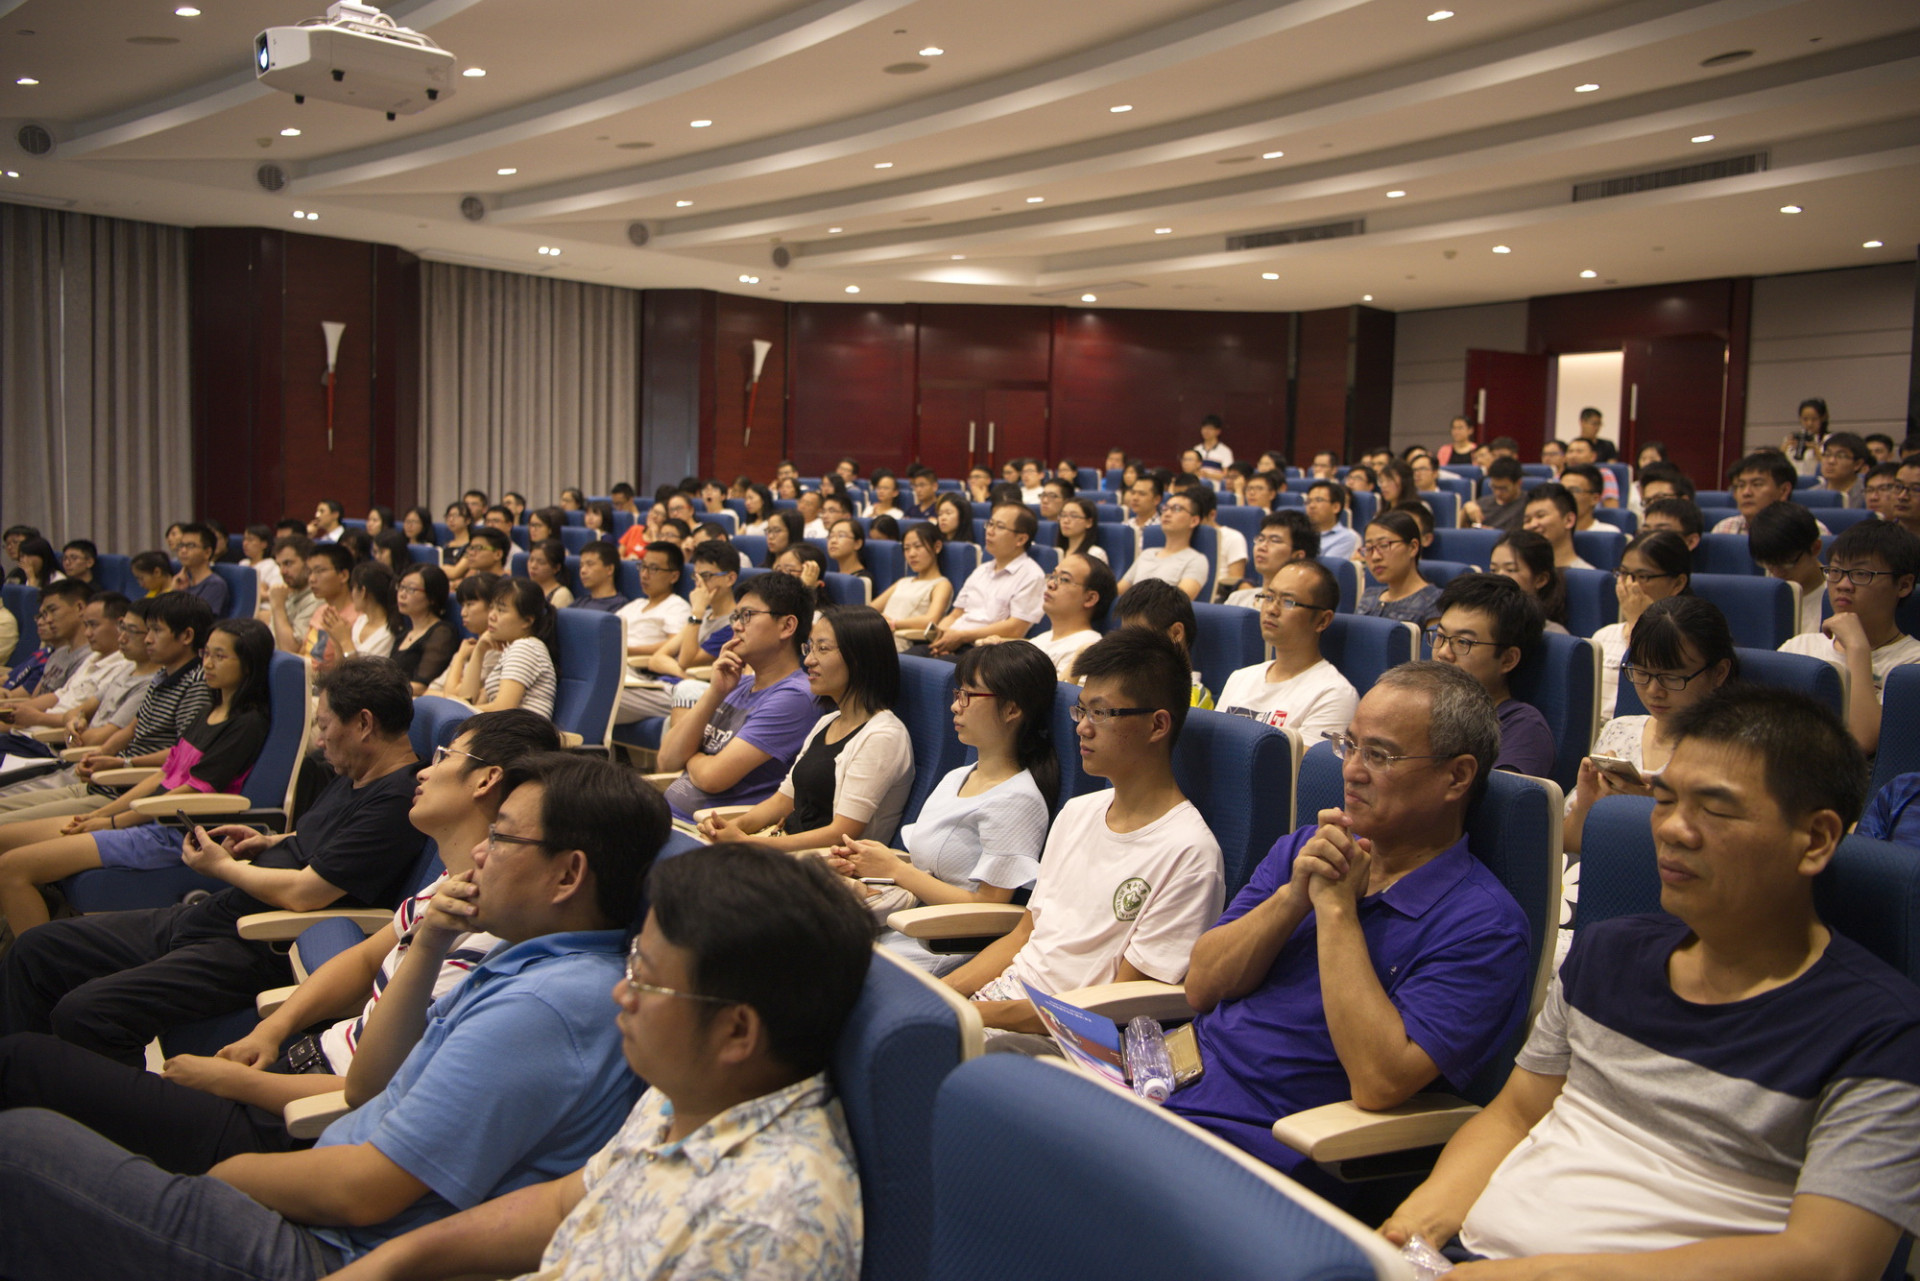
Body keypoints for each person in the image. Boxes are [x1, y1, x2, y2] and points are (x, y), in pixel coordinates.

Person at [0, 752, 672, 1281]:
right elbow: (367, 1087)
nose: (478, 852)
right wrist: (428, 943)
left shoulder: (545, 1007)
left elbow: (363, 1193)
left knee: (21, 1140)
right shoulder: (521, 957)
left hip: (325, 1249)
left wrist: (219, 1180)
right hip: (319, 1192)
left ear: (567, 875)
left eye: (499, 837)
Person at [1386, 687, 1920, 1276]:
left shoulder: (1881, 1032)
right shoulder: (1607, 952)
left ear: (1814, 840)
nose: (1672, 830)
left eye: (1715, 810)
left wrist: (1541, 1275)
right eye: (1664, 800)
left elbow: (1830, 1260)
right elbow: (1514, 1115)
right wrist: (1412, 1232)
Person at [0, 710, 560, 1172]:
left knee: (30, 1058)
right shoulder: (446, 886)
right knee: (38, 959)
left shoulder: (492, 939)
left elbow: (384, 1096)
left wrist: (238, 1083)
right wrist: (271, 1031)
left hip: (293, 1119)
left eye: (443, 757)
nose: (426, 769)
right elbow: (362, 958)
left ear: (484, 780)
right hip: (292, 1064)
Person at [316, 843, 872, 1281]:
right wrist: (401, 1258)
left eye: (646, 981)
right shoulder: (690, 1095)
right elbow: (565, 1205)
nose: (621, 995)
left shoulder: (765, 1223)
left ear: (737, 1031)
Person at [1169, 662, 1531, 1176]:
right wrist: (1294, 897)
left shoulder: (1484, 926)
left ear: (1457, 776)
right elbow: (1202, 986)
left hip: (1258, 1141)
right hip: (1168, 1081)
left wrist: (1337, 911)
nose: (1352, 771)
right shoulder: (1305, 849)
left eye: (1379, 755)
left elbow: (1380, 1081)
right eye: (1350, 745)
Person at [0, 656, 428, 1065]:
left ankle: (73, 1102)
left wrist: (221, 868)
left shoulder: (395, 801)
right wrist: (269, 840)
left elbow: (306, 894)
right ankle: (17, 1083)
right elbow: (325, 838)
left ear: (364, 724)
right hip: (223, 915)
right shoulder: (357, 772)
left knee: (86, 1013)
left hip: (259, 943)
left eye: (324, 725)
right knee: (36, 950)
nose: (319, 740)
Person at [943, 628, 1224, 1045]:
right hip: (1001, 1006)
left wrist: (970, 1014)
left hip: (1066, 1041)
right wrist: (942, 995)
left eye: (1101, 713)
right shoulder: (1078, 812)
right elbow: (1024, 936)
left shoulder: (1189, 854)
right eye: (1081, 711)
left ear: (1157, 725)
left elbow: (1118, 1005)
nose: (1082, 729)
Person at [0, 617, 273, 935]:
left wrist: (114, 822)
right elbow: (163, 774)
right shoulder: (209, 709)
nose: (208, 664)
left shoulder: (247, 724)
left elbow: (192, 791)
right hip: (147, 818)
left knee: (12, 869)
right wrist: (101, 815)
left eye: (220, 656)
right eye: (206, 654)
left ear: (248, 663)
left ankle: (33, 962)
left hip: (173, 833)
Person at [829, 641, 1056, 976]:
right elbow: (927, 868)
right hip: (905, 919)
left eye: (968, 696)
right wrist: (869, 860)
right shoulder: (958, 776)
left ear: (1011, 710)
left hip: (942, 942)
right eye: (957, 693)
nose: (954, 706)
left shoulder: (1018, 800)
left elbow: (989, 907)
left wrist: (896, 870)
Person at [698, 606, 912, 851]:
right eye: (809, 648)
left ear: (860, 657)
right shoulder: (827, 722)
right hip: (785, 849)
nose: (809, 660)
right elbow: (782, 801)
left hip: (826, 865)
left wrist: (748, 843)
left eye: (823, 649)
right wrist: (732, 827)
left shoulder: (883, 736)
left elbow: (841, 834)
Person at [0, 594, 208, 823]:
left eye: (156, 631)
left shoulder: (196, 684)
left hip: (123, 791)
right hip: (101, 779)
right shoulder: (162, 675)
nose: (148, 640)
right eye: (147, 631)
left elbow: (181, 755)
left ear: (186, 636)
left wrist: (123, 763)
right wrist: (99, 754)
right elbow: (131, 729)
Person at [1567, 596, 1737, 860]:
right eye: (1642, 673)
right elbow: (1567, 845)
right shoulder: (1619, 730)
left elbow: (1723, 860)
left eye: (1672, 677)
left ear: (1719, 673)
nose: (1654, 691)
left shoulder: (1733, 756)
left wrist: (1650, 808)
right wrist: (1586, 809)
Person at [658, 572, 824, 822]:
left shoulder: (795, 697)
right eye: (736, 616)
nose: (736, 626)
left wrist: (691, 757)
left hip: (712, 831)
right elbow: (667, 760)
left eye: (747, 615)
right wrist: (715, 692)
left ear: (787, 626)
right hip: (669, 818)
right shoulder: (736, 683)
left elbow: (713, 778)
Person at [1778, 519, 1920, 755]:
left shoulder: (1912, 664)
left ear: (1904, 585)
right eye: (1835, 572)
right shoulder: (1799, 646)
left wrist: (1856, 647)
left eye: (1861, 574)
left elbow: (1863, 741)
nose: (1843, 585)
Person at [1426, 575, 1556, 778]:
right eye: (1441, 636)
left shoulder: (1523, 729)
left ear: (1507, 660)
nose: (1443, 653)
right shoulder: (1422, 706)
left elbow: (1500, 799)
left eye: (1463, 642)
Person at [1216, 560, 1356, 740]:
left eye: (1288, 602)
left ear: (1323, 620)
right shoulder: (1240, 678)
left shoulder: (1334, 694)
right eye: (1269, 597)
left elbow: (1303, 759)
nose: (1271, 610)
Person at [1587, 530, 1691, 719]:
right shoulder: (1603, 635)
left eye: (1643, 576)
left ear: (1678, 583)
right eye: (1624, 573)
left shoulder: (1688, 642)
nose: (1629, 584)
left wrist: (1638, 622)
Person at [923, 503, 1046, 658]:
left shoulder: (1032, 575)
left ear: (1021, 539)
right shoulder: (981, 570)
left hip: (985, 652)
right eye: (990, 524)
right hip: (953, 643)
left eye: (999, 527)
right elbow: (955, 614)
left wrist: (962, 637)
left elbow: (1016, 628)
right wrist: (941, 637)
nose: (989, 531)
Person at [640, 540, 738, 691]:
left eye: (706, 576)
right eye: (696, 577)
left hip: (687, 692)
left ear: (730, 578)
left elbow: (687, 661)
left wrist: (697, 612)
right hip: (665, 684)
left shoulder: (733, 625)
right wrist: (682, 674)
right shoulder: (703, 615)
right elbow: (656, 659)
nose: (699, 585)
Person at [454, 578, 559, 718]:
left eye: (501, 610)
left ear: (527, 621)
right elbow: (468, 697)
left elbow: (503, 709)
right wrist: (479, 651)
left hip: (520, 731)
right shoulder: (514, 648)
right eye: (491, 608)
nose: (491, 616)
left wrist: (458, 710)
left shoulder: (526, 647)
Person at [1004, 552, 1114, 681]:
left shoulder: (1088, 648)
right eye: (1053, 576)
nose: (1051, 584)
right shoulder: (1041, 639)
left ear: (1090, 598)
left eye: (1064, 579)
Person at [1114, 578, 1215, 708]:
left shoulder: (1195, 697)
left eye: (1138, 637)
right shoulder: (1118, 683)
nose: (1128, 647)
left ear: (1176, 633)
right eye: (1125, 637)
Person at [1749, 501, 1827, 636]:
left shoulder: (1836, 598)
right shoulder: (1763, 593)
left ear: (1815, 548)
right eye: (1769, 564)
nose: (1777, 572)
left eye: (1786, 563)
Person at [872, 522, 953, 651]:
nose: (911, 554)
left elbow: (931, 620)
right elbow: (871, 609)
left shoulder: (941, 584)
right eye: (906, 548)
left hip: (902, 644)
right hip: (878, 636)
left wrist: (893, 624)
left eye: (917, 546)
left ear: (937, 547)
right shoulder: (903, 582)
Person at [1120, 489, 1209, 599]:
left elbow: (1179, 601)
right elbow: (1119, 590)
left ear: (1194, 521)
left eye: (1176, 509)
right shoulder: (1147, 553)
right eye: (1165, 508)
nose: (1167, 513)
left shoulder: (1196, 560)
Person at [1714, 452, 1829, 537]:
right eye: (1740, 485)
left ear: (1784, 490)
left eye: (1757, 484)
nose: (1746, 493)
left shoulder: (1810, 531)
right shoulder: (1723, 529)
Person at [1358, 510, 1441, 624]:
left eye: (1384, 545)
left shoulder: (1433, 602)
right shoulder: (1369, 596)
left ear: (1413, 547)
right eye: (1368, 548)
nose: (1375, 557)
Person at [1224, 509, 1318, 609]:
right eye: (1260, 539)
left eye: (1275, 540)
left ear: (1298, 556)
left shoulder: (1296, 608)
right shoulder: (1237, 598)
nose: (1261, 547)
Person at [391, 564, 456, 696]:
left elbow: (421, 686)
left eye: (411, 589)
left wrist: (380, 688)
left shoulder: (442, 633)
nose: (402, 594)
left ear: (432, 597)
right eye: (401, 587)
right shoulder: (405, 633)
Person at [319, 560, 399, 661]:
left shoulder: (387, 634)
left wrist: (344, 640)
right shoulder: (361, 620)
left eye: (353, 588)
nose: (351, 594)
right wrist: (336, 639)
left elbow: (359, 670)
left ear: (363, 592)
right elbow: (341, 667)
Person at [298, 543, 358, 671]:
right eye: (310, 572)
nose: (311, 579)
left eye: (319, 571)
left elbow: (352, 671)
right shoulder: (320, 610)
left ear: (343, 575)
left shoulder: (357, 618)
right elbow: (304, 654)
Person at [1521, 482, 1591, 570]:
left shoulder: (1587, 575)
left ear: (1569, 520)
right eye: (1527, 520)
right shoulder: (1521, 573)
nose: (1533, 524)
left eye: (1540, 516)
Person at [1461, 456, 1527, 531]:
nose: (1497, 493)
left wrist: (1494, 533)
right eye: (1494, 487)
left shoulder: (1528, 504)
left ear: (1518, 483)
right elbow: (1460, 530)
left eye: (1503, 488)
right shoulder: (1483, 503)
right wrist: (1465, 509)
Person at [568, 541, 629, 615]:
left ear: (610, 569)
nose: (583, 570)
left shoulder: (620, 606)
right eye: (581, 566)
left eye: (590, 564)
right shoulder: (579, 602)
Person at [1305, 479, 1360, 561]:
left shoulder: (1346, 537)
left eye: (1319, 500)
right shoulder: (1300, 533)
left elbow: (1326, 567)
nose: (1311, 506)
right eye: (1308, 501)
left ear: (1336, 507)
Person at [1816, 431, 1871, 507]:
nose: (1831, 461)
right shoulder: (1812, 494)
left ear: (1857, 464)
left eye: (1840, 456)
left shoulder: (1867, 494)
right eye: (1827, 454)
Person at [1055, 495, 1108, 564]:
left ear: (1089, 522)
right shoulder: (1057, 552)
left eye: (1073, 516)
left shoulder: (1094, 554)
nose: (1065, 521)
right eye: (1063, 515)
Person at [525, 537, 575, 609]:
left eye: (541, 562)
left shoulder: (561, 595)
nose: (533, 566)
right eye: (531, 560)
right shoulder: (525, 590)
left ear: (556, 568)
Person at [825, 517, 868, 581]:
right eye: (831, 536)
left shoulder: (862, 580)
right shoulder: (831, 577)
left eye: (841, 536)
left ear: (857, 544)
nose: (833, 541)